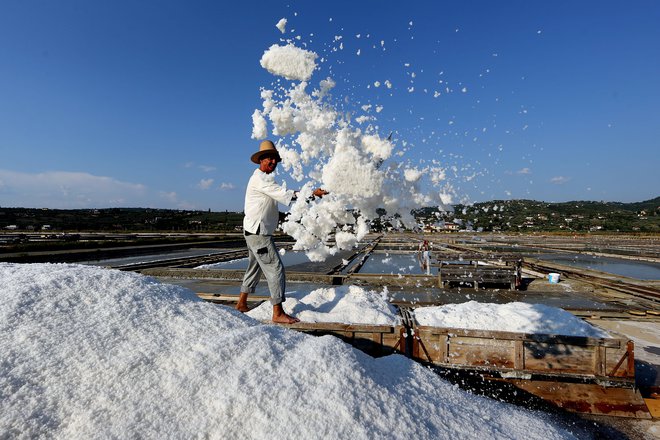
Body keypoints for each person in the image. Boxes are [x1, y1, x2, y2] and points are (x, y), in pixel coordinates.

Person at [236, 140, 327, 323]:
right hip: (258, 233)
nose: (272, 161)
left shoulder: (264, 179)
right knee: (276, 269)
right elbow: (287, 194)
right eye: (268, 158)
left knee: (254, 267)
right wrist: (313, 194)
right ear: (261, 160)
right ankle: (277, 313)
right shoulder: (261, 180)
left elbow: (281, 194)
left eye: (275, 159)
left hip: (253, 232)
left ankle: (241, 304)